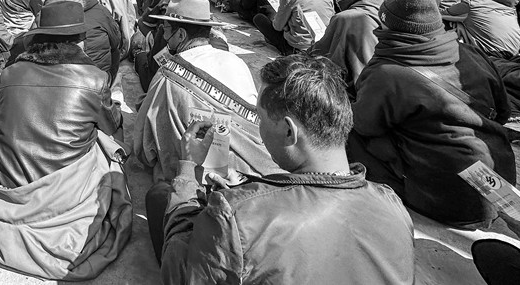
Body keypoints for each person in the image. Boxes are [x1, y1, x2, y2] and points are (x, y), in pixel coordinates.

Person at [149, 54, 415, 283]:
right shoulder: (392, 204)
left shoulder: (237, 219)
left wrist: (187, 169)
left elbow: (180, 274)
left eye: (260, 118)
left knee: (160, 196)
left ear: (289, 131)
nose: (259, 129)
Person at [0, 1, 131, 281]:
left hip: (12, 184)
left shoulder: (10, 73)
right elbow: (110, 125)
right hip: (66, 190)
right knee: (108, 145)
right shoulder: (95, 78)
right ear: (80, 40)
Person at [349, 0, 516, 226]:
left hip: (446, 198)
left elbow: (364, 125)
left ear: (389, 27)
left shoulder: (388, 73)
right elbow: (503, 112)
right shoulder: (470, 53)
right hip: (498, 186)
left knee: (346, 128)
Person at [135, 0, 272, 184]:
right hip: (251, 164)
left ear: (181, 35)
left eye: (165, 30)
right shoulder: (236, 61)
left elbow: (145, 141)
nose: (165, 37)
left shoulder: (169, 74)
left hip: (203, 173)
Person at [40, 0, 121, 81]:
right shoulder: (101, 11)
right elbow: (116, 41)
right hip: (97, 78)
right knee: (115, 51)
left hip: (58, 78)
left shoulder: (46, 13)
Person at [310, 0, 382, 89]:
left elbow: (321, 51)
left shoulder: (344, 18)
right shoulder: (381, 11)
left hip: (356, 85)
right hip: (379, 80)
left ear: (340, 0)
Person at [443, 0, 520, 59]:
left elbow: (439, 15)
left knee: (453, 24)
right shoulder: (510, 10)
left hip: (491, 56)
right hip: (515, 54)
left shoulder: (472, 4)